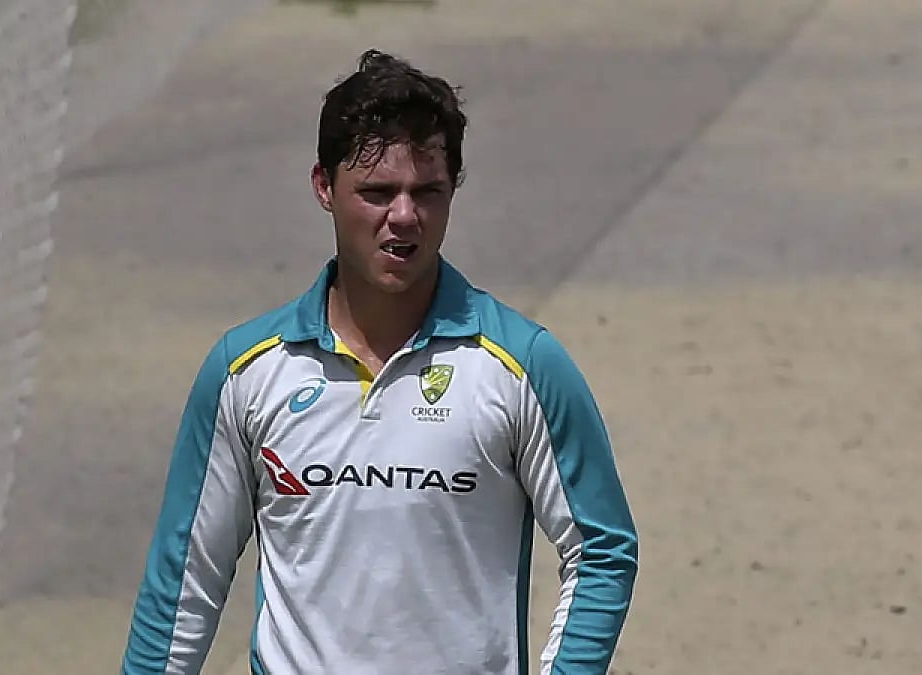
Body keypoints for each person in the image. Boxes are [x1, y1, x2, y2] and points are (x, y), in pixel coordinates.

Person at [121, 49, 639, 675]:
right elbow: (184, 585)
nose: (404, 217)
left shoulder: (523, 366)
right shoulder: (247, 371)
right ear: (323, 187)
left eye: (428, 192)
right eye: (377, 192)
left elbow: (601, 551)